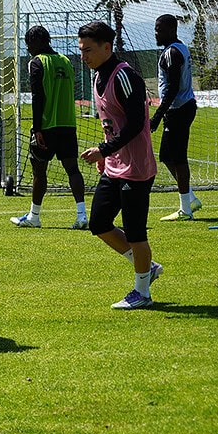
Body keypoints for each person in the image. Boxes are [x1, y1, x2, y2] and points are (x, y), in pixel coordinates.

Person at [78, 21, 163, 310]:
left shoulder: (124, 76)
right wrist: (106, 156)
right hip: (114, 165)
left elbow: (137, 123)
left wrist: (103, 150)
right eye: (81, 50)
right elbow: (111, 124)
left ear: (106, 47)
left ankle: (142, 292)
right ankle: (147, 267)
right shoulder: (97, 77)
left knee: (135, 231)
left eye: (88, 50)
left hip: (135, 168)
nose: (83, 56)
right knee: (99, 223)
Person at [10, 25, 88, 230]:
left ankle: (34, 217)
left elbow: (38, 96)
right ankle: (82, 215)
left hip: (46, 127)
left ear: (37, 42)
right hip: (68, 124)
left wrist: (37, 128)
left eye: (28, 44)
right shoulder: (66, 61)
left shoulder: (37, 62)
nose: (28, 48)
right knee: (73, 170)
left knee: (39, 171)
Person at [150, 14, 202, 221]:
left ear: (171, 30)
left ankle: (185, 209)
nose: (156, 33)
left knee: (178, 158)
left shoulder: (172, 52)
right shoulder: (180, 48)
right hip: (180, 108)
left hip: (179, 109)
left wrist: (157, 116)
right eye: (156, 29)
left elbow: (172, 88)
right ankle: (190, 198)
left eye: (160, 29)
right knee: (166, 156)